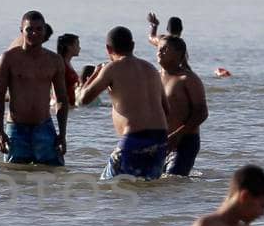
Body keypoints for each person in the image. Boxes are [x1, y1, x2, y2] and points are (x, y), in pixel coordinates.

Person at [75, 26, 173, 180]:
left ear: (108, 49)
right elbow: (166, 109)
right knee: (147, 191)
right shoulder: (151, 69)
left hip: (134, 139)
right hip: (160, 140)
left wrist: (95, 74)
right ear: (133, 45)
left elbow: (82, 100)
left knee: (107, 187)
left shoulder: (111, 68)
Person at [0, 10, 69, 166]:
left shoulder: (54, 60)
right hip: (16, 128)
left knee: (53, 176)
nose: (34, 33)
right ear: (22, 31)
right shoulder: (8, 59)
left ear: (45, 31)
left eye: (39, 29)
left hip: (44, 126)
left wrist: (62, 133)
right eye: (29, 29)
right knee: (14, 178)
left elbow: (61, 99)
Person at [158, 37, 208, 176]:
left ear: (178, 54)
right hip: (160, 140)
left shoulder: (188, 79)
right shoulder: (154, 77)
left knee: (173, 180)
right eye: (159, 49)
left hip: (185, 141)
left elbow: (202, 112)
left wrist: (177, 135)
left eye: (165, 49)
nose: (159, 52)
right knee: (151, 182)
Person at [56, 33, 82, 110]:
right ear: (69, 47)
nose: (79, 48)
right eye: (77, 45)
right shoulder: (61, 64)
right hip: (63, 106)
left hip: (70, 106)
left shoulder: (68, 63)